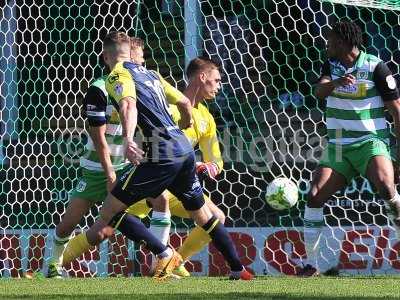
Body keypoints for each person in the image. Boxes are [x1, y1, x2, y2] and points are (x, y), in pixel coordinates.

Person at [62, 31, 251, 281]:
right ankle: (239, 269)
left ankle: (164, 253)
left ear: (107, 57)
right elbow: (185, 102)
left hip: (161, 153)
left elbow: (128, 105)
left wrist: (129, 139)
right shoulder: (152, 74)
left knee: (110, 212)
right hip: (183, 149)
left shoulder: (118, 75)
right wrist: (183, 124)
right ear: (132, 53)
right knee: (205, 217)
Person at [298, 20, 400, 276]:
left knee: (386, 186)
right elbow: (319, 92)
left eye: (330, 39)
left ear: (343, 42)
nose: (327, 44)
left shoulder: (376, 66)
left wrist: (397, 153)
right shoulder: (330, 66)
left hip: (370, 141)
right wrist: (337, 82)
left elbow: (397, 111)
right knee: (314, 195)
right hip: (339, 145)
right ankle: (312, 265)